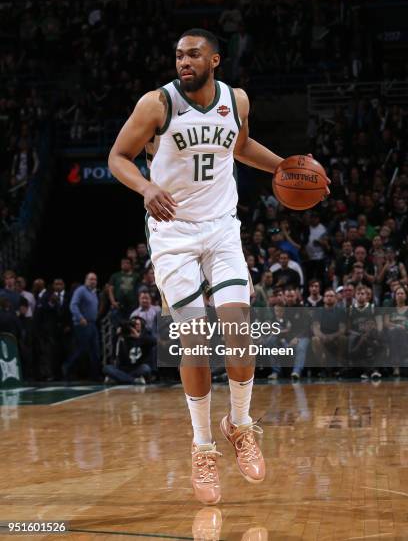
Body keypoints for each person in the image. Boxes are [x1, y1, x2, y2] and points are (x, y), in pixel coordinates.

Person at [109, 28, 330, 505]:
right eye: (178, 55)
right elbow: (118, 157)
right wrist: (146, 188)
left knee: (238, 327)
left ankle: (242, 425)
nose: (183, 61)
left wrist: (287, 168)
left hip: (222, 226)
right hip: (173, 233)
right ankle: (202, 446)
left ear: (215, 60)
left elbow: (241, 147)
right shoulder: (156, 104)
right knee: (194, 341)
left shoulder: (238, 100)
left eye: (192, 55)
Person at [64, 272, 101, 381]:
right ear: (86, 280)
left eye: (95, 279)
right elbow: (73, 305)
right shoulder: (81, 290)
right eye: (91, 279)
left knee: (95, 351)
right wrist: (80, 318)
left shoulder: (93, 293)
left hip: (92, 324)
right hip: (82, 324)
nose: (93, 281)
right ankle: (67, 368)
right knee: (81, 350)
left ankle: (95, 375)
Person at [103, 316, 156, 385]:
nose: (135, 326)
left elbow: (154, 341)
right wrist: (117, 335)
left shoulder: (145, 335)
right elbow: (114, 346)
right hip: (122, 369)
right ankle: (134, 380)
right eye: (133, 324)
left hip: (137, 368)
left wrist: (139, 337)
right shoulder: (124, 335)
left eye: (137, 324)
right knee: (107, 368)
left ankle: (118, 379)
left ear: (142, 325)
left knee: (146, 368)